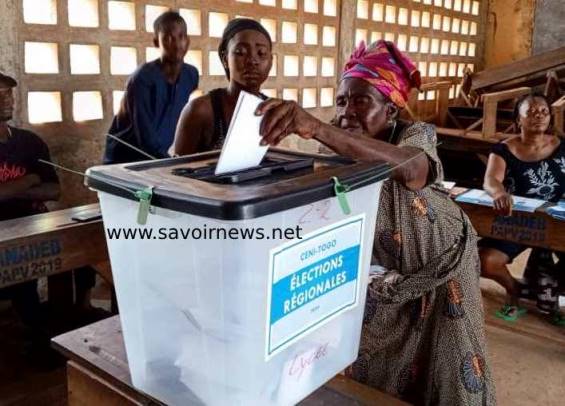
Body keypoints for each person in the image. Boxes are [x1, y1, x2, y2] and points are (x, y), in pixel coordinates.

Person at [256, 41, 495, 405]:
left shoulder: (416, 134)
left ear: (391, 108)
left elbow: (412, 170)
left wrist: (317, 127)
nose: (347, 112)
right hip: (387, 275)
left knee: (452, 374)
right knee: (380, 366)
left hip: (445, 266)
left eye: (361, 101)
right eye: (341, 101)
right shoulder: (332, 145)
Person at [479, 92, 565, 325]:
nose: (539, 116)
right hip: (518, 220)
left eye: (544, 111)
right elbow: (491, 180)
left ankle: (548, 288)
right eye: (532, 112)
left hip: (557, 223)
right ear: (519, 119)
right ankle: (515, 290)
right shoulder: (504, 149)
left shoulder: (562, 146)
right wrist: (499, 193)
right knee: (486, 260)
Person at [0, 71, 60, 350]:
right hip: (4, 234)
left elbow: (54, 190)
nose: (7, 100)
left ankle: (50, 328)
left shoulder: (29, 142)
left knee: (79, 252)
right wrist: (30, 179)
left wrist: (10, 190)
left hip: (33, 227)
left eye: (9, 94)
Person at [103, 10, 199, 164]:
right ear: (156, 42)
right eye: (168, 38)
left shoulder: (191, 75)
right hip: (125, 160)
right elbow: (145, 137)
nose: (176, 44)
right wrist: (170, 164)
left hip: (156, 157)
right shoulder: (142, 79)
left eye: (181, 37)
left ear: (188, 41)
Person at [173, 18, 272, 155]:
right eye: (241, 52)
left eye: (261, 53)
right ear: (225, 59)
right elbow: (179, 166)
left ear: (271, 61)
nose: (252, 60)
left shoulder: (273, 110)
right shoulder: (200, 110)